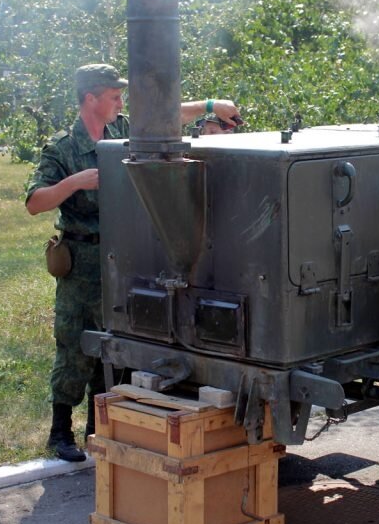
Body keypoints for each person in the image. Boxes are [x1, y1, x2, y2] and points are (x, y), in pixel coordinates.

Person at [25, 64, 241, 462]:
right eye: (113, 95)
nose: (120, 102)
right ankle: (59, 432)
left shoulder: (122, 129)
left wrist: (211, 105)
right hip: (83, 261)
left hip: (127, 258)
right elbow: (34, 202)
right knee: (74, 345)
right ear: (90, 98)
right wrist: (75, 182)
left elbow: (168, 115)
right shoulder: (61, 148)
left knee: (119, 343)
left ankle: (98, 424)